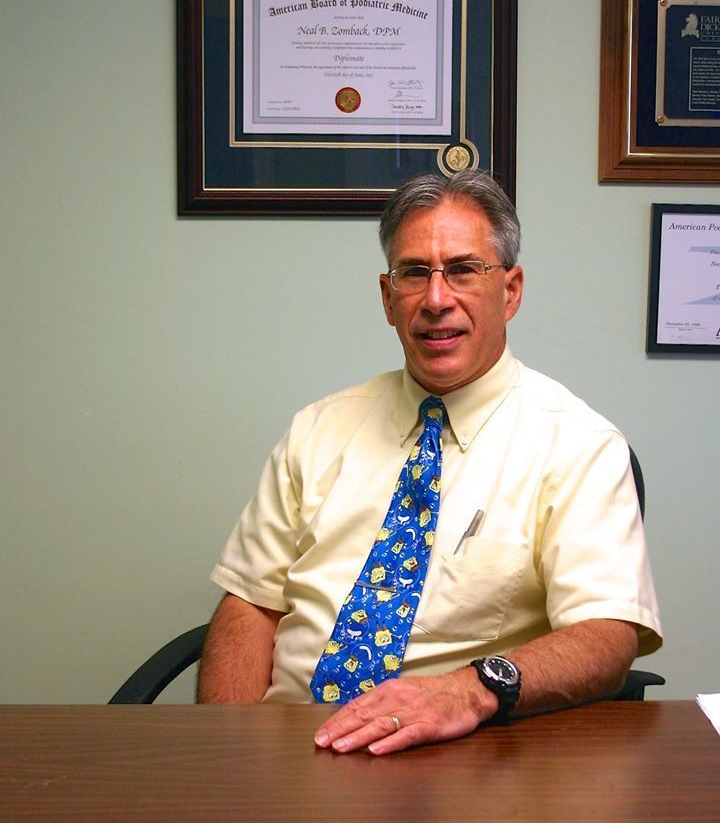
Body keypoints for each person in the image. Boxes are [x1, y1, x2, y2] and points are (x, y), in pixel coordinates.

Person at [197, 169, 662, 756]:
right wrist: (224, 755)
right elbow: (250, 602)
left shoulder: (580, 445)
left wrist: (466, 692)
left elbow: (607, 634)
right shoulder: (317, 429)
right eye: (415, 273)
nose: (437, 299)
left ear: (511, 290)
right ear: (389, 299)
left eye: (465, 270)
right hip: (287, 751)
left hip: (454, 756)